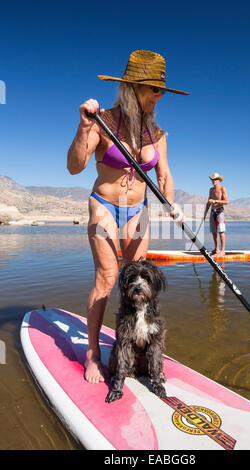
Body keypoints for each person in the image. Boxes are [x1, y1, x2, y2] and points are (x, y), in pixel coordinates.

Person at [67, 50, 188, 384]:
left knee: (140, 277)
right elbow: (75, 167)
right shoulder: (103, 120)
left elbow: (165, 175)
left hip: (141, 211)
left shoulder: (158, 133)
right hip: (105, 206)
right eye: (154, 89)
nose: (159, 96)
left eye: (161, 90)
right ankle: (93, 354)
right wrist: (83, 128)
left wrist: (172, 202)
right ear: (133, 88)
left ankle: (136, 341)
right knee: (107, 278)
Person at [203, 173, 228, 256]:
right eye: (212, 179)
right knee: (213, 232)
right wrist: (205, 213)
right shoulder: (211, 190)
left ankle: (223, 250)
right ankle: (216, 249)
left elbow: (226, 201)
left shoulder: (222, 188)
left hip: (220, 211)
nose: (213, 181)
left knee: (221, 231)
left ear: (218, 180)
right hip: (212, 211)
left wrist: (216, 201)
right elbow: (208, 202)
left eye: (215, 179)